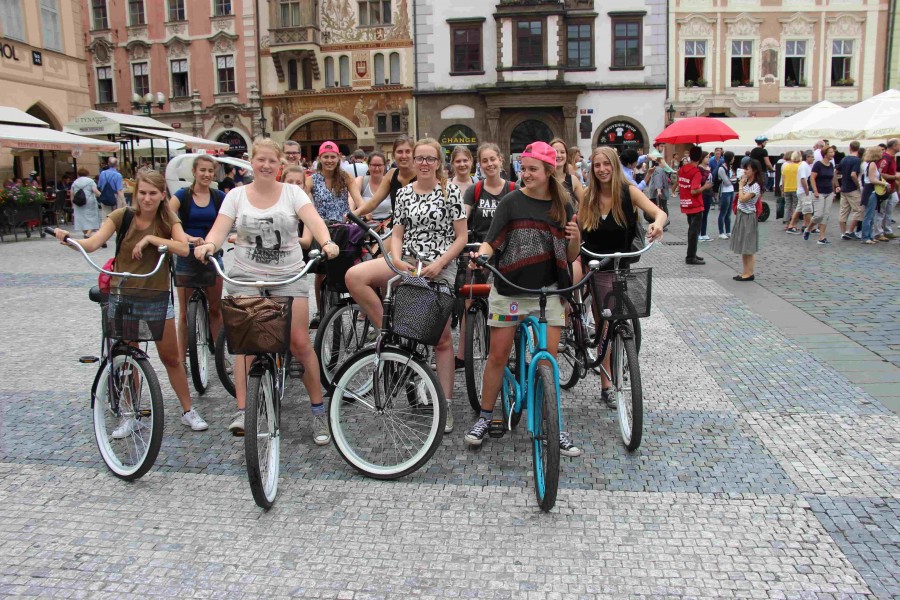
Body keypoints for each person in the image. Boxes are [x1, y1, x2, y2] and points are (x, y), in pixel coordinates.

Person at [194, 138, 339, 442]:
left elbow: (314, 220)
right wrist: (209, 244)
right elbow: (220, 230)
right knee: (245, 343)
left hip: (288, 275)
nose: (265, 165)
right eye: (260, 160)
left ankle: (317, 411)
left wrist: (325, 242)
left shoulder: (292, 192)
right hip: (246, 276)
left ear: (279, 165)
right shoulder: (236, 195)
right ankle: (243, 409)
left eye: (272, 161)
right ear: (252, 162)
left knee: (299, 342)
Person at [55, 170, 209, 435]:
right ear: (135, 193)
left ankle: (187, 410)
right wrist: (69, 240)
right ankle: (129, 414)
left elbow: (184, 248)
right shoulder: (121, 216)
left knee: (171, 358)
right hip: (123, 296)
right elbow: (92, 244)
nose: (147, 199)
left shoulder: (168, 219)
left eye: (152, 194)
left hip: (156, 296)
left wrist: (150, 239)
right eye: (142, 193)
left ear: (162, 195)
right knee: (128, 358)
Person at [462, 141, 581, 456]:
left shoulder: (563, 205)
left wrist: (576, 239)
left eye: (532, 169)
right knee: (498, 357)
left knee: (548, 361)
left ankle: (554, 423)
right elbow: (491, 242)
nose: (525, 174)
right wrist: (481, 257)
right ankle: (486, 416)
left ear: (548, 171)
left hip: (549, 292)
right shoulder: (511, 202)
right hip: (510, 289)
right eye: (523, 168)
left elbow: (570, 255)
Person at [344, 138, 467, 435]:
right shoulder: (406, 194)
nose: (424, 163)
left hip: (440, 265)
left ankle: (445, 404)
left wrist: (440, 263)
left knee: (441, 340)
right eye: (419, 158)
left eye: (430, 158)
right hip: (408, 262)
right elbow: (397, 233)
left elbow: (461, 237)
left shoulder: (450, 192)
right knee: (354, 277)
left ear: (439, 162)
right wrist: (396, 258)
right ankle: (391, 335)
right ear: (413, 161)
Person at [579, 146, 666, 408]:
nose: (602, 169)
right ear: (592, 169)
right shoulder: (587, 196)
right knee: (603, 322)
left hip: (621, 263)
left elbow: (659, 212)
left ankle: (620, 354)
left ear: (615, 166)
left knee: (617, 316)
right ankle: (606, 384)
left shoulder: (627, 192)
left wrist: (657, 225)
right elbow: (577, 227)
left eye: (607, 164)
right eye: (597, 165)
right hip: (595, 264)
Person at [456, 142, 517, 368]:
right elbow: (463, 218)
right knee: (470, 300)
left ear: (501, 160)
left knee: (509, 305)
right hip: (479, 252)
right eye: (485, 160)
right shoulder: (476, 190)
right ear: (479, 165)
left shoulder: (513, 188)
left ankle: (511, 352)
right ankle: (463, 355)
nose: (490, 164)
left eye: (493, 159)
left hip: (508, 253)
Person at [168, 155, 226, 367]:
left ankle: (220, 358)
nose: (206, 174)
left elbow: (227, 220)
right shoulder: (182, 195)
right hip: (186, 254)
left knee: (215, 309)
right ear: (194, 171)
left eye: (210, 171)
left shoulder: (218, 196)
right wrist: (187, 237)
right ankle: (181, 358)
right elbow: (166, 215)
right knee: (184, 314)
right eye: (202, 170)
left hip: (212, 255)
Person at [304, 140, 363, 327]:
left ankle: (347, 307)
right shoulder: (312, 179)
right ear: (319, 158)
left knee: (345, 270)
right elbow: (303, 201)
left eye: (333, 157)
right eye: (325, 157)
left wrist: (360, 213)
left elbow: (359, 201)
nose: (329, 160)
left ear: (339, 158)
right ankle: (321, 310)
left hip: (342, 229)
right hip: (320, 229)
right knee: (320, 274)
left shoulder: (345, 178)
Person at [352, 135, 417, 220]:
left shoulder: (422, 174)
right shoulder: (391, 174)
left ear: (414, 154)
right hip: (396, 227)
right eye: (400, 152)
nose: (404, 156)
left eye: (408, 151)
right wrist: (354, 213)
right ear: (394, 155)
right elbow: (373, 202)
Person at [731, 159, 764, 281]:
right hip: (742, 214)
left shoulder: (755, 186)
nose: (745, 171)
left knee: (748, 246)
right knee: (743, 246)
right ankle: (745, 271)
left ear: (754, 170)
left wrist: (740, 186)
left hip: (748, 215)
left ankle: (749, 273)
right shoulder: (746, 183)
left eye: (747, 169)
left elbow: (743, 198)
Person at [679, 146, 711, 264]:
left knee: (692, 231)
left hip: (685, 203)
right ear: (700, 158)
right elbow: (694, 190)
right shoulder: (696, 172)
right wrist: (705, 187)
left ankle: (692, 253)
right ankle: (690, 257)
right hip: (696, 205)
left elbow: (682, 184)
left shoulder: (682, 169)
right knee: (694, 232)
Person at [805, 145, 837, 244]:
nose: (833, 154)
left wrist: (834, 191)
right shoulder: (818, 164)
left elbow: (832, 179)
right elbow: (812, 178)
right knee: (818, 215)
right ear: (825, 153)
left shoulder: (831, 165)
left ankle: (822, 238)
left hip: (829, 192)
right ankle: (808, 228)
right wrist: (815, 191)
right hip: (819, 192)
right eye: (831, 152)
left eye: (833, 152)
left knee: (826, 215)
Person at [861, 146, 888, 244]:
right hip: (870, 190)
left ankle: (870, 236)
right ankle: (865, 237)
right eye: (880, 152)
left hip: (871, 190)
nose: (882, 153)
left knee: (872, 214)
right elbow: (872, 180)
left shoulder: (873, 164)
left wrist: (880, 168)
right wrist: (884, 183)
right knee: (869, 215)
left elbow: (875, 176)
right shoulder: (872, 164)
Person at [786, 151, 816, 234]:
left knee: (798, 209)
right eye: (812, 157)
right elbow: (803, 179)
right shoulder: (804, 166)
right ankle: (811, 227)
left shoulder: (805, 166)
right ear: (807, 157)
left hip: (802, 191)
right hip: (804, 191)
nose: (813, 158)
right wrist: (807, 191)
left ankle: (791, 226)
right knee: (808, 210)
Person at [875, 138, 899, 241]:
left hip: (891, 187)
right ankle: (878, 232)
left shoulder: (892, 157)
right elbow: (881, 174)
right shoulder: (885, 158)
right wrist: (895, 177)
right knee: (882, 210)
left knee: (890, 207)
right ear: (894, 146)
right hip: (884, 188)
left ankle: (887, 230)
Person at [356, 150, 390, 224]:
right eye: (374, 165)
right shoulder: (361, 181)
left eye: (379, 165)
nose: (377, 169)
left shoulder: (390, 182)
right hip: (366, 226)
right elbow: (352, 198)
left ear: (384, 166)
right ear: (368, 166)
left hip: (388, 226)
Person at [837, 141, 862, 240]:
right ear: (858, 148)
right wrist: (858, 185)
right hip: (852, 189)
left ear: (850, 147)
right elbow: (853, 174)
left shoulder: (844, 159)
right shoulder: (857, 160)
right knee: (858, 210)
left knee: (843, 211)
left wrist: (837, 185)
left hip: (844, 188)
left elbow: (836, 171)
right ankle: (850, 231)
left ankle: (843, 232)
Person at [550, 138, 584, 207]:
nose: (559, 155)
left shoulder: (573, 180)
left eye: (562, 152)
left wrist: (578, 216)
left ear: (566, 155)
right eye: (555, 152)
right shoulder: (543, 179)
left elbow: (585, 205)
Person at [70, 167, 101, 239]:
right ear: (87, 174)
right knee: (93, 218)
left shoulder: (75, 182)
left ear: (78, 174)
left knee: (81, 219)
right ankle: (88, 234)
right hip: (90, 202)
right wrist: (101, 195)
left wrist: (72, 204)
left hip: (78, 202)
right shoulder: (90, 181)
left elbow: (72, 194)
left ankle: (86, 234)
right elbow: (95, 191)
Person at [716, 151, 735, 239]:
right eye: (733, 157)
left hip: (731, 191)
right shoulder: (722, 168)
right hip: (724, 192)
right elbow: (727, 182)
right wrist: (734, 179)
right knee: (723, 212)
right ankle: (721, 232)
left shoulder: (730, 167)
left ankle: (728, 231)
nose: (734, 159)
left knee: (728, 213)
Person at [780, 151, 801, 231]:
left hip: (787, 188)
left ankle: (787, 224)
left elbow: (783, 178)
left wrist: (782, 189)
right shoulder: (798, 166)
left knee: (787, 206)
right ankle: (794, 224)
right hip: (795, 188)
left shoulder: (786, 167)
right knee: (796, 207)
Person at [698, 152, 714, 242]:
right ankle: (698, 233)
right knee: (700, 214)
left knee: (706, 214)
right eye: (707, 157)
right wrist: (707, 171)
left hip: (708, 193)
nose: (708, 159)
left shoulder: (708, 168)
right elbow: (702, 180)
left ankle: (703, 233)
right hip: (702, 193)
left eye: (709, 157)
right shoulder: (699, 168)